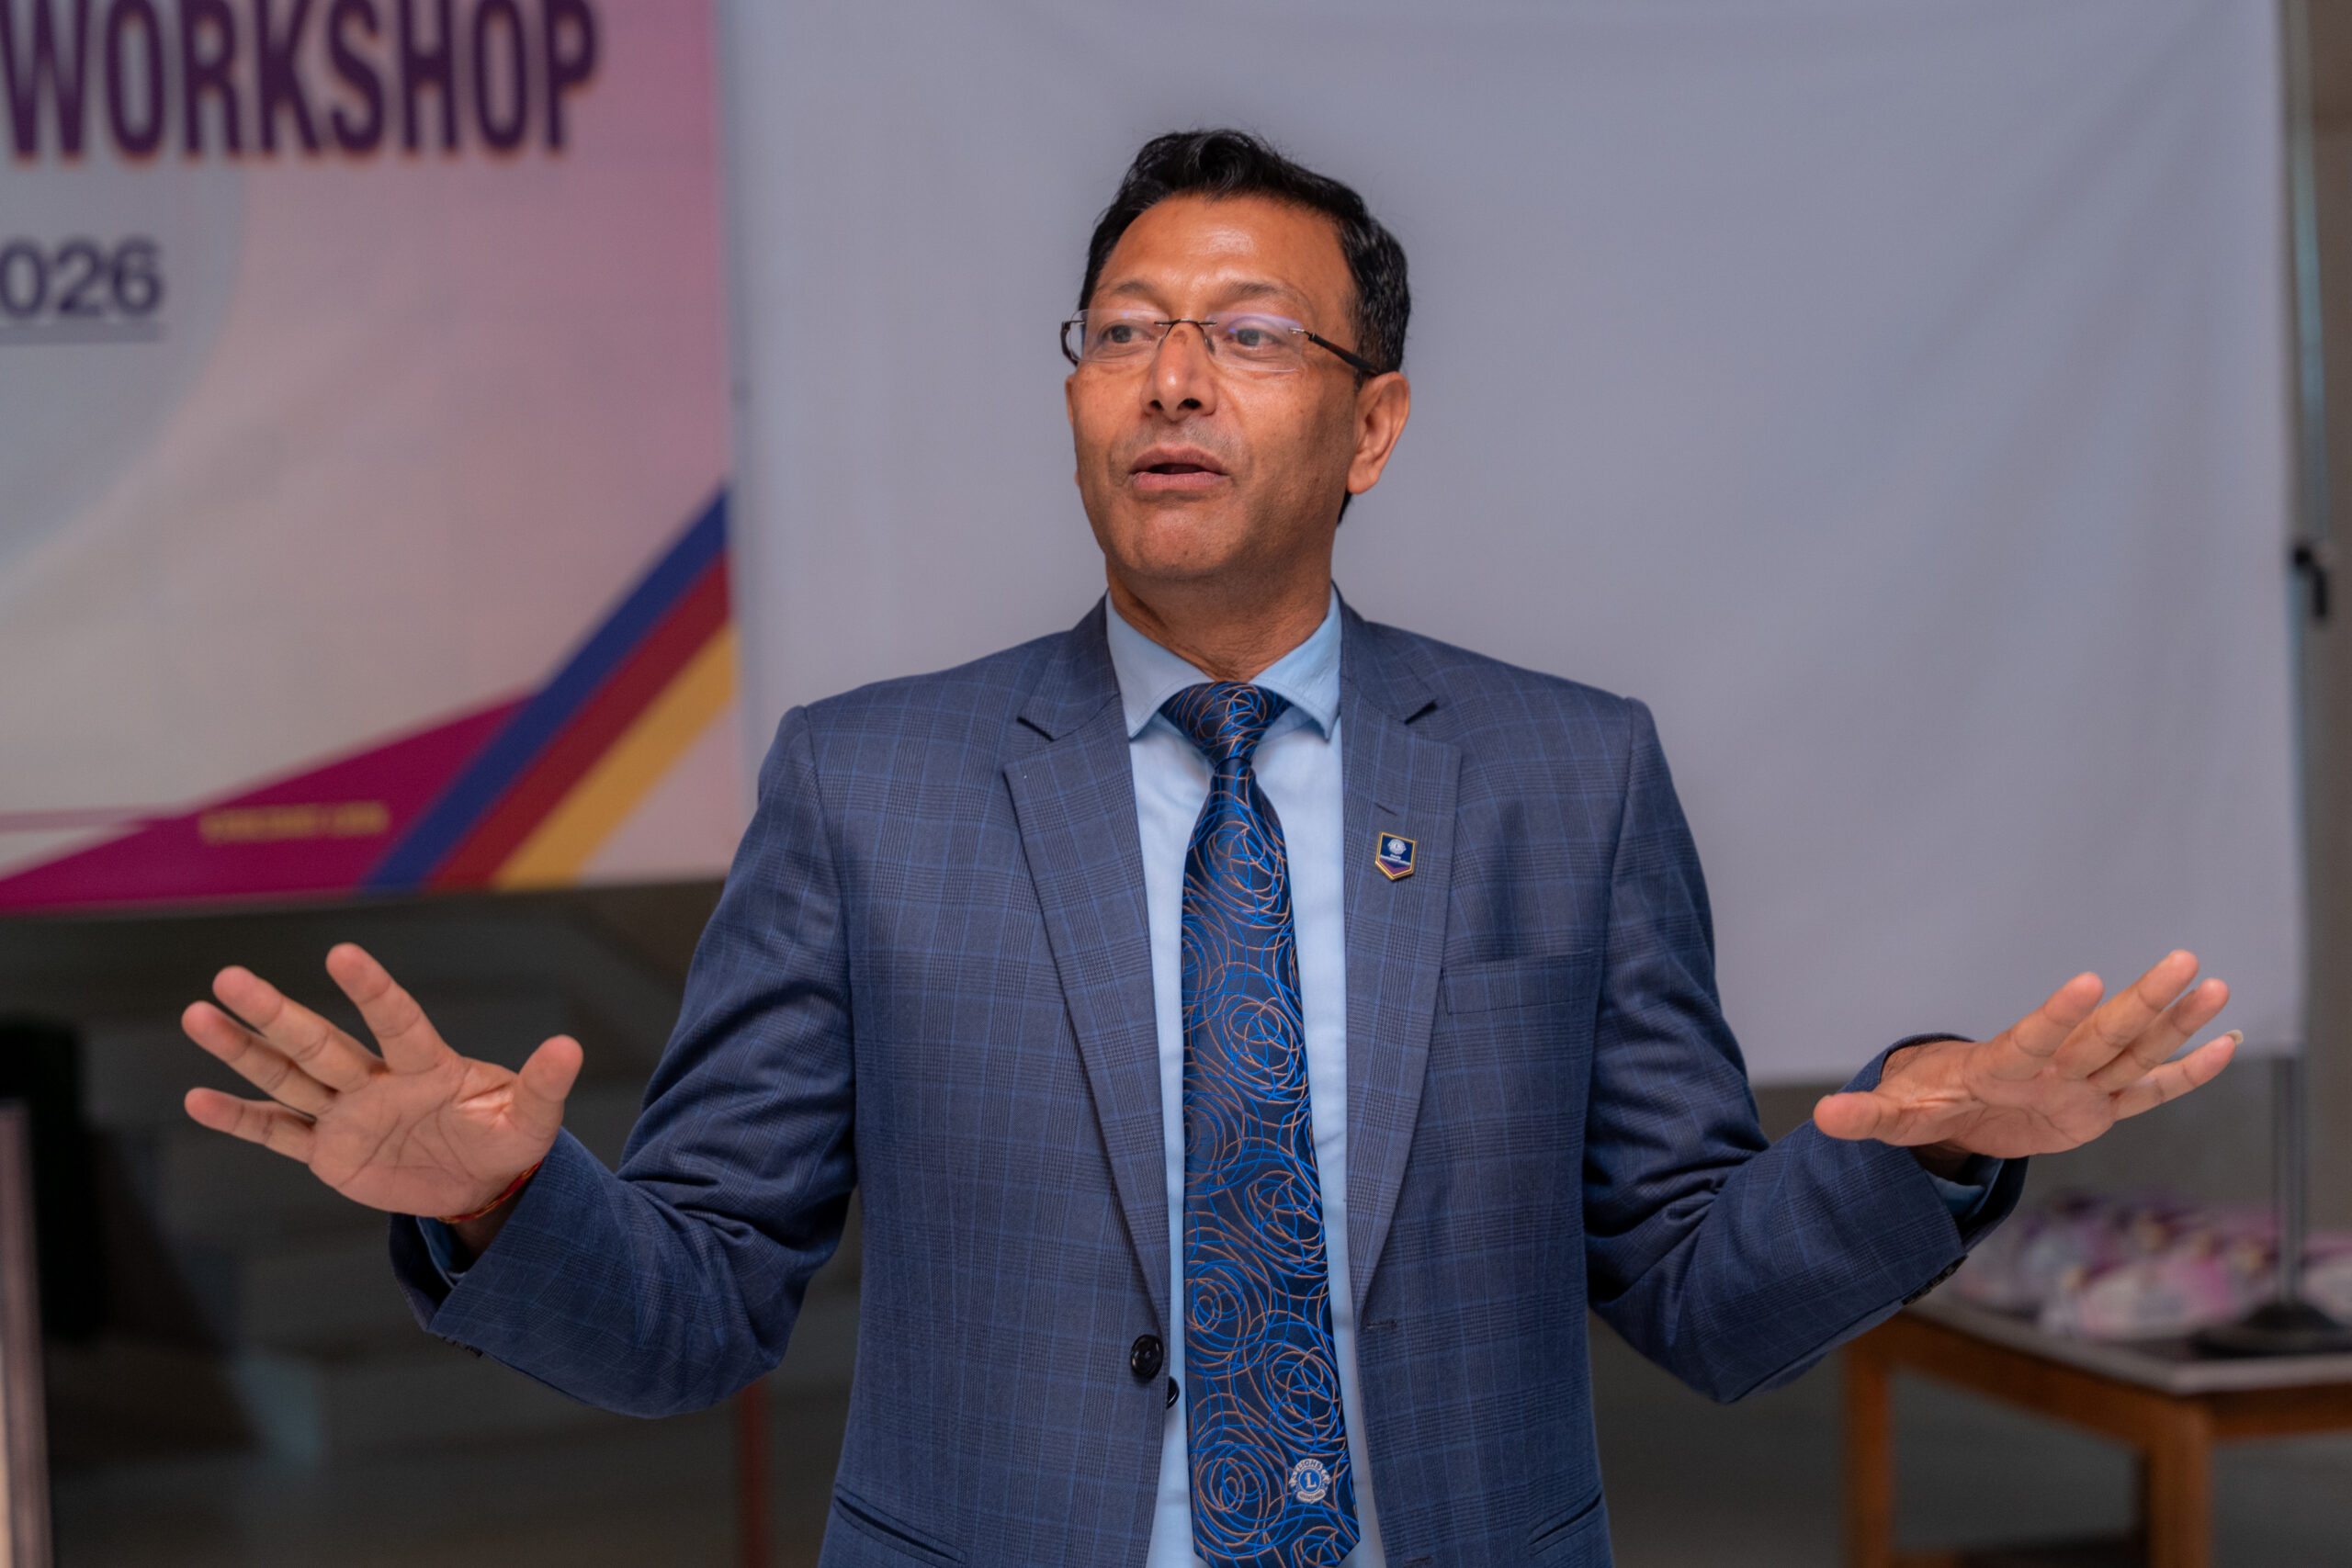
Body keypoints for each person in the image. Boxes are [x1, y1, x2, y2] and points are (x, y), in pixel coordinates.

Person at [179, 130, 2237, 1568]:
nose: (1171, 376)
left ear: (1373, 425)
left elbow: (1697, 1288)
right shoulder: (870, 786)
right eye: (1121, 329)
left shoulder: (1564, 773)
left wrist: (1929, 1149)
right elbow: (694, 1309)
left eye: (1249, 334)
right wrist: (504, 1202)